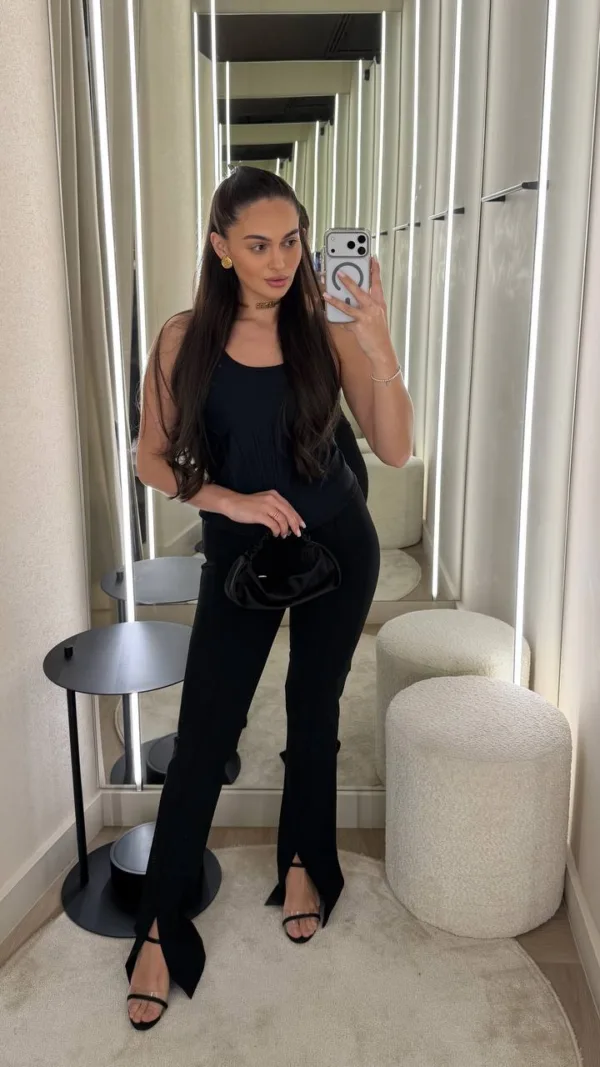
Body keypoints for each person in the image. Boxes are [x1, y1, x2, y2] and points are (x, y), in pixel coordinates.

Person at [125, 165, 414, 1030]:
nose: (281, 260)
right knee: (207, 731)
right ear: (220, 248)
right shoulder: (184, 339)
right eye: (258, 244)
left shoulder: (326, 330)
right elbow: (150, 458)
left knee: (313, 709)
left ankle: (304, 862)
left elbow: (395, 449)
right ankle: (160, 923)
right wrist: (232, 500)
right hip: (239, 554)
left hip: (338, 545)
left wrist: (379, 346)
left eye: (292, 241)